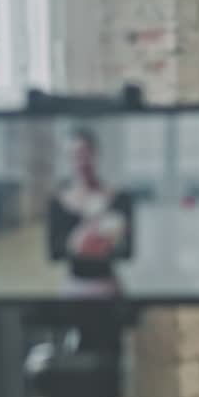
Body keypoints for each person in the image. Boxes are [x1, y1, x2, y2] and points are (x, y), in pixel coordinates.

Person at [47, 126, 133, 298]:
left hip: (108, 286)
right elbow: (54, 253)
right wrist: (75, 244)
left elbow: (128, 251)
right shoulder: (57, 201)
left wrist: (107, 245)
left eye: (86, 153)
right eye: (74, 155)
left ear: (96, 154)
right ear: (67, 158)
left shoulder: (118, 197)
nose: (81, 161)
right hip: (73, 287)